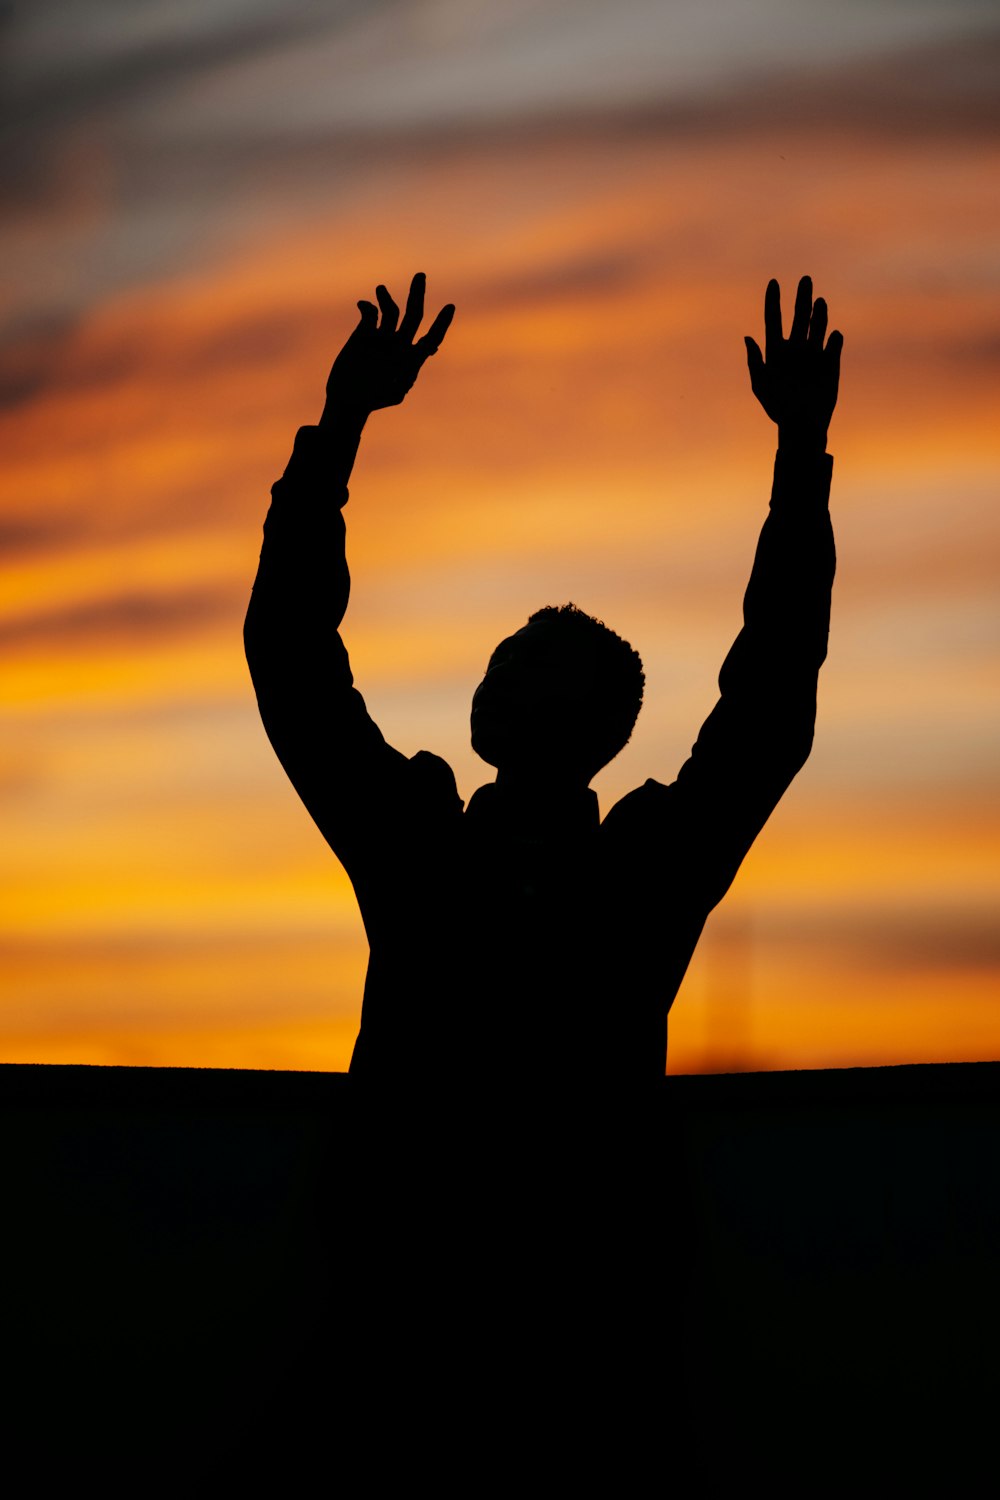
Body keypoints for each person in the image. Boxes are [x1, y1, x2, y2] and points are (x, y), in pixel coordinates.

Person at [245, 272, 841, 1082]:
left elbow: (771, 700)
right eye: (506, 651)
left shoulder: (634, 872)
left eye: (532, 659)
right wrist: (339, 421)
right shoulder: (419, 842)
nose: (500, 666)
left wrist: (803, 454)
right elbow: (291, 655)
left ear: (591, 720)